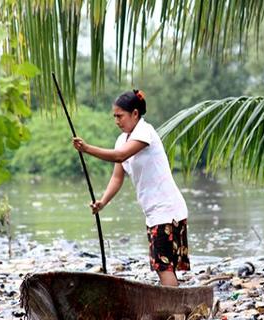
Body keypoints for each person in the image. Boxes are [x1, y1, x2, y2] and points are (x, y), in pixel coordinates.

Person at [72, 90, 189, 286]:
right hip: (154, 212)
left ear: (135, 114)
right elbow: (117, 177)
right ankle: (176, 307)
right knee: (162, 265)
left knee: (163, 266)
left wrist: (87, 149)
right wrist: (102, 202)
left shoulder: (144, 132)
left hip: (167, 210)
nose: (117, 121)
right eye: (114, 116)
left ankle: (176, 312)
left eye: (120, 116)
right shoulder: (122, 140)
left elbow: (119, 156)